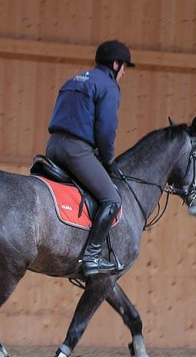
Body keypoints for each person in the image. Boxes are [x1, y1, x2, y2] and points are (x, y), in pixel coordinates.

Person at [45, 40, 135, 276]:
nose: (124, 73)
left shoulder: (72, 81)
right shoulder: (108, 87)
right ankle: (92, 257)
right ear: (115, 64)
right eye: (124, 67)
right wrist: (108, 161)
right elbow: (106, 130)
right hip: (76, 151)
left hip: (53, 146)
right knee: (113, 198)